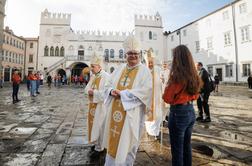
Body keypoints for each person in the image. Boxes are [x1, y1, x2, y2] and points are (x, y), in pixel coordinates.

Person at [102, 36, 152, 165]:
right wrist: (111, 91)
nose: (133, 56)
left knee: (128, 142)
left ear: (139, 54)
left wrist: (123, 94)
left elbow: (146, 91)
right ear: (126, 54)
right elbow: (107, 84)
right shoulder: (120, 68)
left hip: (132, 115)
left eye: (135, 53)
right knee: (114, 139)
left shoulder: (144, 71)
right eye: (130, 53)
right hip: (115, 112)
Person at [162, 45, 202, 166]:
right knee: (186, 145)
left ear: (177, 59)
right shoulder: (194, 75)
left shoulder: (177, 77)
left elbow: (167, 98)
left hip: (178, 113)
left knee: (177, 149)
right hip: (190, 111)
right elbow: (196, 95)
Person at [84, 52, 110, 158]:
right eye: (91, 66)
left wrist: (93, 93)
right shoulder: (93, 77)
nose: (91, 69)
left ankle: (100, 147)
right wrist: (89, 92)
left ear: (99, 66)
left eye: (93, 66)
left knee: (100, 126)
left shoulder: (106, 76)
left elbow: (106, 93)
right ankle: (95, 143)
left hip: (101, 107)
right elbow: (86, 88)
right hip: (92, 106)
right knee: (93, 125)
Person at [145, 50, 163, 140]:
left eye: (151, 62)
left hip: (156, 97)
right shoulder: (144, 71)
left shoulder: (158, 70)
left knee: (157, 116)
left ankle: (156, 132)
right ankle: (149, 131)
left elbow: (162, 83)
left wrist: (162, 82)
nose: (150, 64)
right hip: (147, 98)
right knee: (147, 116)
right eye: (149, 63)